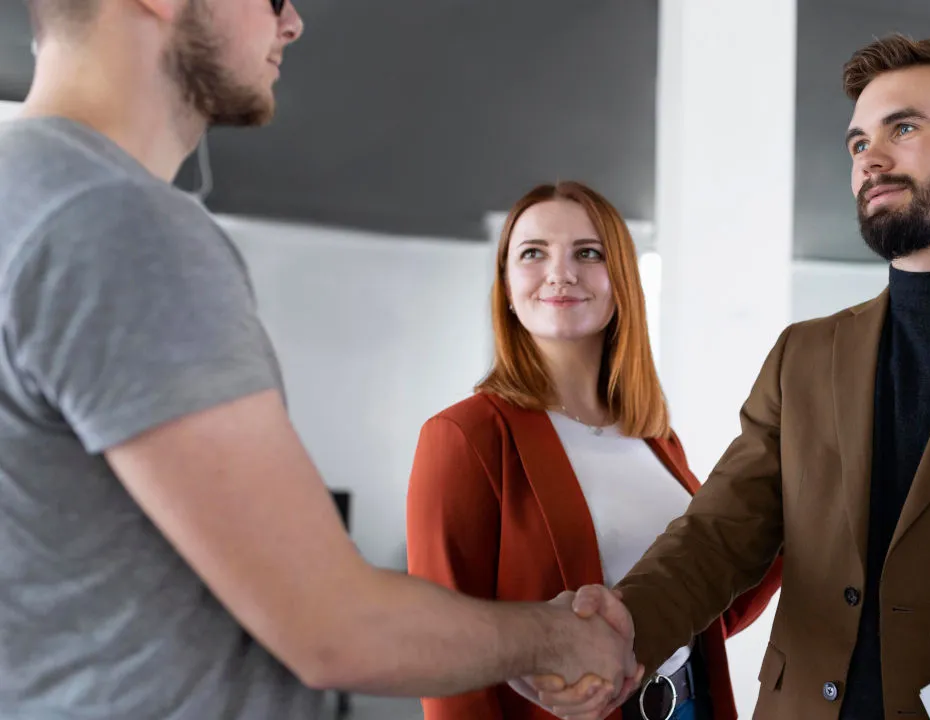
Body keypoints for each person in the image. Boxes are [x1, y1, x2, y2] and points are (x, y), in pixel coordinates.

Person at [0, 2, 636, 718]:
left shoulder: (26, 197)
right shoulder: (113, 221)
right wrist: (552, 640)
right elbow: (337, 628)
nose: (294, 22)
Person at [532, 33, 930, 720]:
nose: (872, 159)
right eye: (859, 143)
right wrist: (625, 626)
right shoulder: (803, 355)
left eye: (904, 128)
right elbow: (719, 537)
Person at [405, 181, 783, 720]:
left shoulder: (657, 439)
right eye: (533, 253)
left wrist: (798, 511)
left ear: (621, 282)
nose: (561, 273)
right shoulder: (466, 436)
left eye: (588, 253)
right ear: (507, 286)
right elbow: (445, 651)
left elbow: (711, 602)